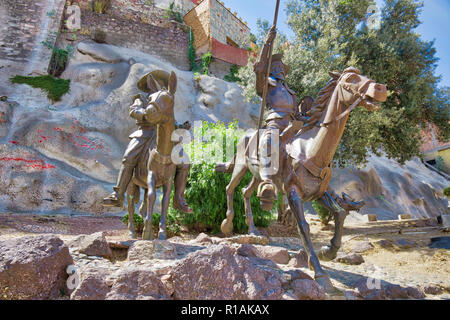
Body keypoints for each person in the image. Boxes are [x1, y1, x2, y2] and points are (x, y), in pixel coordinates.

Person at [103, 70, 193, 213]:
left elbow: (170, 121)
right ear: (149, 85)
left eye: (162, 84)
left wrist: (181, 127)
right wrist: (146, 114)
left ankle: (179, 199)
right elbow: (134, 110)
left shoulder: (164, 101)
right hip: (145, 133)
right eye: (155, 83)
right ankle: (118, 195)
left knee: (184, 161)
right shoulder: (142, 99)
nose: (159, 86)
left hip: (163, 135)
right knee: (129, 156)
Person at [253, 26, 298, 206]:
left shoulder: (292, 93)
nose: (280, 68)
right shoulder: (267, 85)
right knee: (269, 141)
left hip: (292, 126)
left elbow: (300, 113)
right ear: (271, 70)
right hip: (275, 124)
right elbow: (259, 69)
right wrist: (267, 42)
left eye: (282, 67)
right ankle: (266, 183)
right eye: (276, 66)